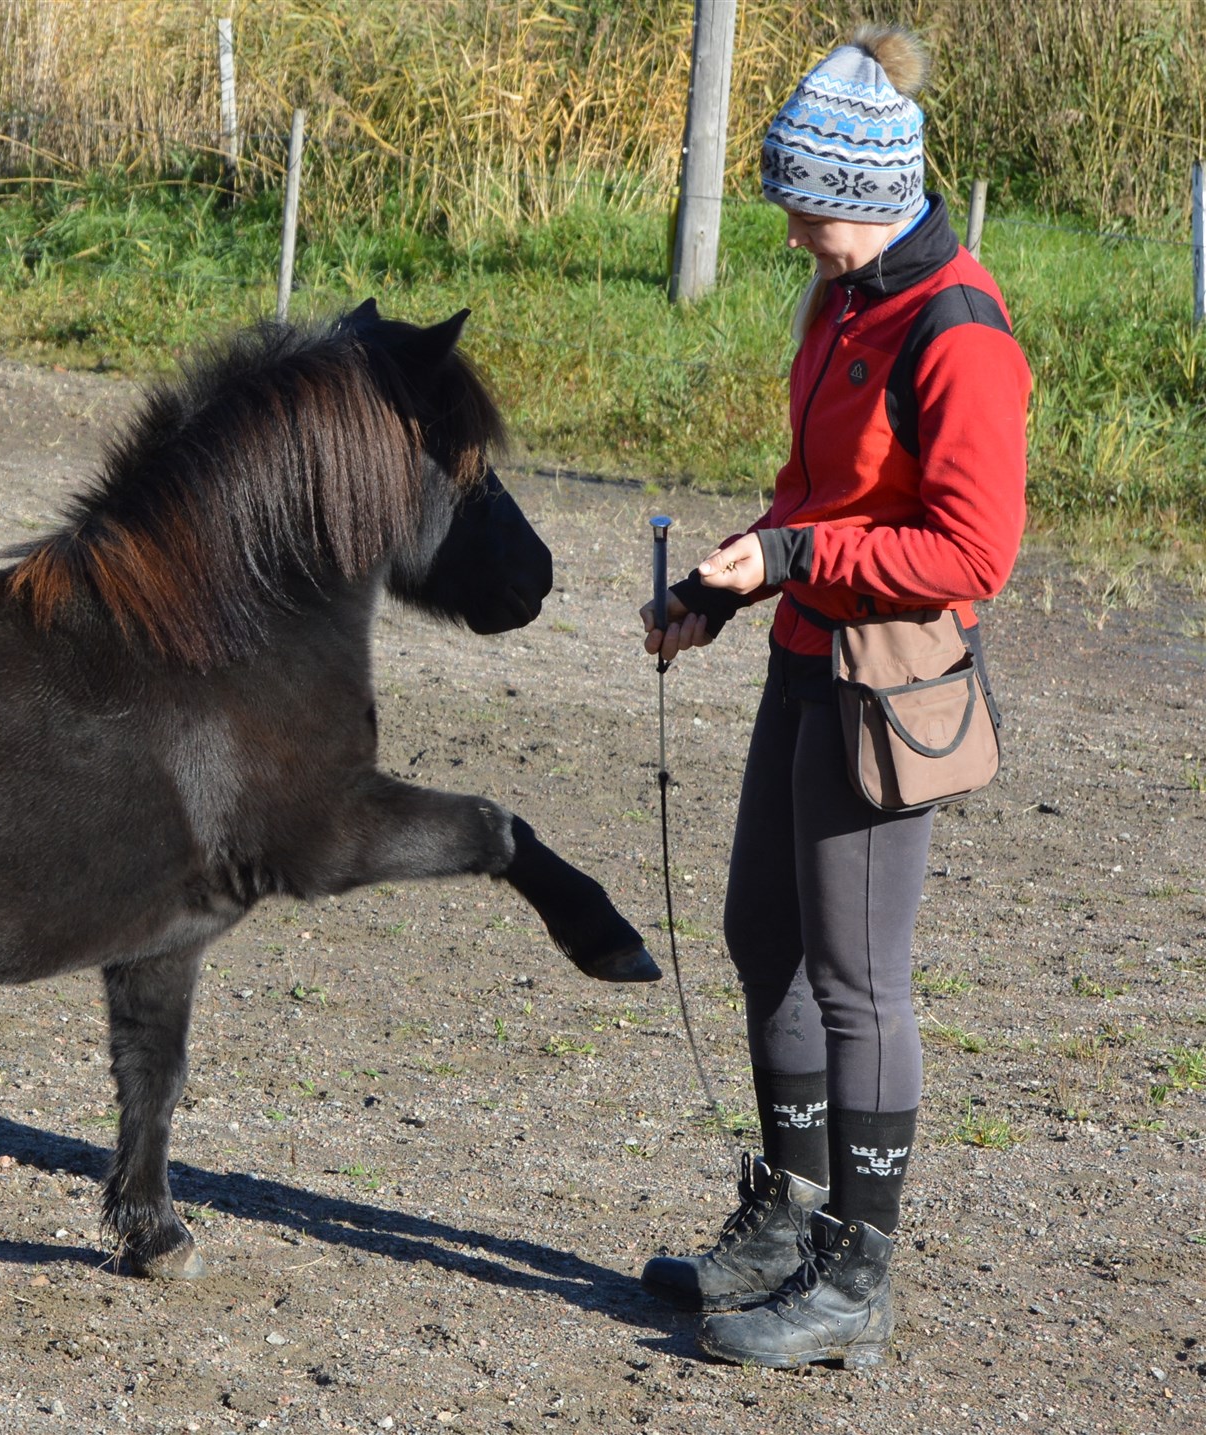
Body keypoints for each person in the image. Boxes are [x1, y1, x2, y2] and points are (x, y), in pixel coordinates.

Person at [634, 24, 1030, 1369]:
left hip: (888, 685)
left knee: (859, 981)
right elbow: (816, 495)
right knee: (764, 938)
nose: (791, 231)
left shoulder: (957, 331)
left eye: (804, 206)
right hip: (806, 654)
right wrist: (723, 588)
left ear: (863, 193)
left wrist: (800, 556)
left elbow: (973, 554)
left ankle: (857, 1278)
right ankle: (790, 1220)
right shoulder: (844, 301)